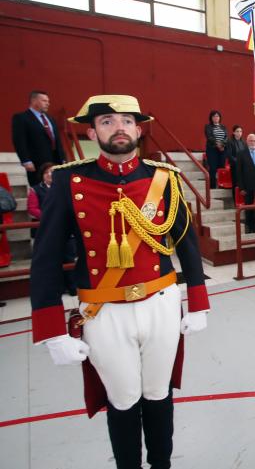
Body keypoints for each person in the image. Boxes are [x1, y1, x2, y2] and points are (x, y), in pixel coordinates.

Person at [30, 95, 210, 469]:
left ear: (139, 130)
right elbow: (45, 258)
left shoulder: (164, 178)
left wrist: (198, 302)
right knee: (123, 399)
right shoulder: (68, 180)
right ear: (92, 131)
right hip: (104, 311)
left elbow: (187, 243)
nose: (119, 129)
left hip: (160, 303)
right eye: (108, 122)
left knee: (158, 394)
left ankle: (162, 464)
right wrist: (52, 331)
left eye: (127, 121)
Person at [28, 162, 78, 295]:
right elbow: (32, 209)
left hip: (66, 230)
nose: (50, 174)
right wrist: (52, 217)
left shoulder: (67, 188)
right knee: (51, 260)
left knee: (69, 258)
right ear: (42, 176)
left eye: (52, 171)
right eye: (46, 172)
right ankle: (58, 289)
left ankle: (73, 287)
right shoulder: (35, 189)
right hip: (45, 230)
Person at [12, 90, 66, 186]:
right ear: (34, 101)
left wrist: (63, 158)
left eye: (48, 101)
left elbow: (57, 140)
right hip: (36, 163)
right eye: (44, 101)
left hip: (55, 161)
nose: (47, 104)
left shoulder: (51, 119)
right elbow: (19, 141)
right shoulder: (21, 118)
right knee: (40, 189)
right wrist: (25, 160)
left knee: (57, 188)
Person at [236, 133, 255, 234]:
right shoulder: (241, 154)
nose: (252, 143)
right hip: (247, 186)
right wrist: (241, 188)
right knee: (248, 207)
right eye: (250, 141)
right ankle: (249, 227)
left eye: (254, 141)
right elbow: (238, 172)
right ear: (247, 142)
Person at [204, 110, 227, 189]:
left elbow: (226, 137)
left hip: (222, 150)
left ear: (220, 118)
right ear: (211, 118)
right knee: (213, 168)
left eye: (217, 116)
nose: (216, 118)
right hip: (212, 150)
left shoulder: (223, 127)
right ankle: (212, 186)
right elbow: (209, 137)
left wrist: (222, 145)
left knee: (221, 167)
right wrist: (218, 145)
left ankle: (221, 185)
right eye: (214, 116)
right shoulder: (208, 126)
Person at [225, 125, 247, 199]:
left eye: (240, 131)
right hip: (235, 166)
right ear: (233, 132)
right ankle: (235, 200)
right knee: (235, 184)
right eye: (237, 131)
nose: (239, 133)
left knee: (243, 185)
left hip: (243, 167)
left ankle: (243, 200)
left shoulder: (243, 142)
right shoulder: (230, 142)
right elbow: (229, 155)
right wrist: (238, 162)